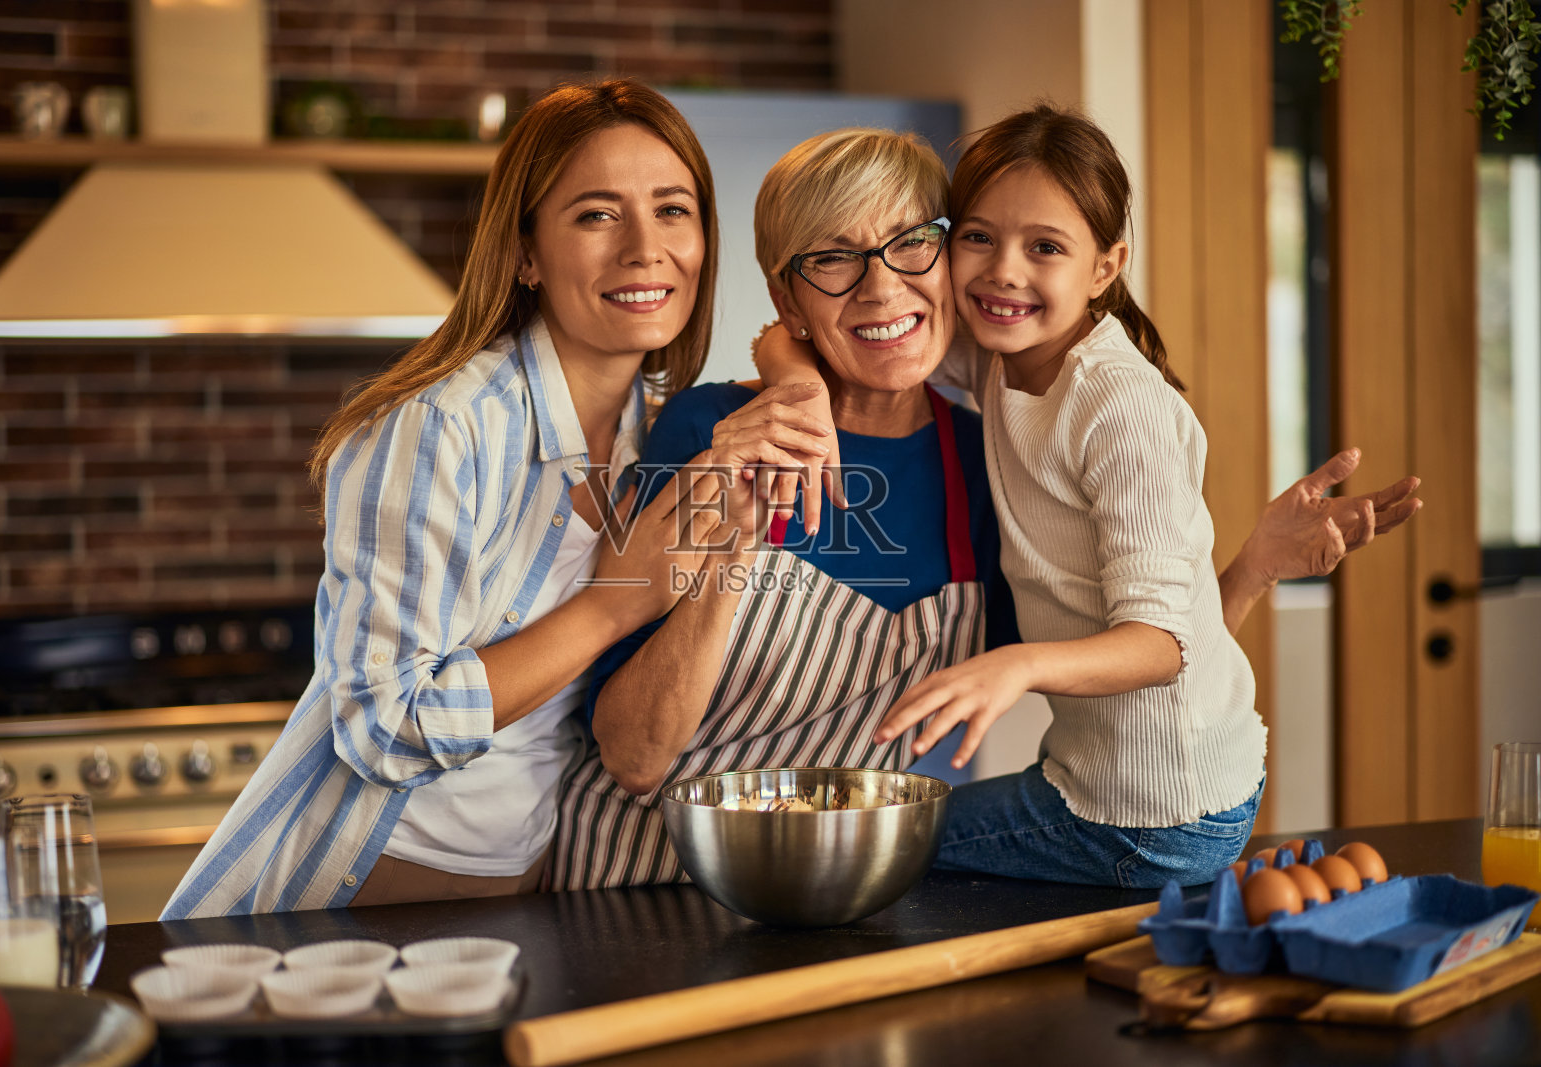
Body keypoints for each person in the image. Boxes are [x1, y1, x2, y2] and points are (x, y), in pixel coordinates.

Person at [553, 127, 1419, 890]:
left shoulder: (985, 458)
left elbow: (1142, 659)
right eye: (832, 258)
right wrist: (742, 515)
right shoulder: (708, 428)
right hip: (640, 883)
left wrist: (1250, 568)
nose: (882, 288)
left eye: (910, 246)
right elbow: (632, 758)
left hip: (830, 894)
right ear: (789, 299)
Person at [161, 80, 792, 918]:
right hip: (363, 894)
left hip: (528, 891)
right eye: (596, 214)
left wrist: (797, 375)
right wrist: (616, 605)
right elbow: (388, 724)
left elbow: (848, 340)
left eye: (673, 210)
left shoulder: (661, 434)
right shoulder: (437, 428)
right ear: (525, 252)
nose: (646, 248)